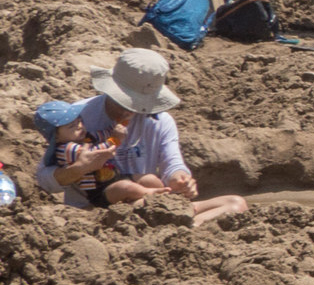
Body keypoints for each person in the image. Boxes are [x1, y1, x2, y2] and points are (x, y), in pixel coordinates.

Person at [48, 49, 249, 226]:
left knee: (236, 203)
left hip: (151, 205)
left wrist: (181, 180)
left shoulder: (160, 121)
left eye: (138, 106)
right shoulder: (76, 119)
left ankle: (191, 226)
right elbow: (45, 179)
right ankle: (182, 223)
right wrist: (79, 169)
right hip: (93, 214)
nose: (130, 112)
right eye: (124, 103)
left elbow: (172, 163)